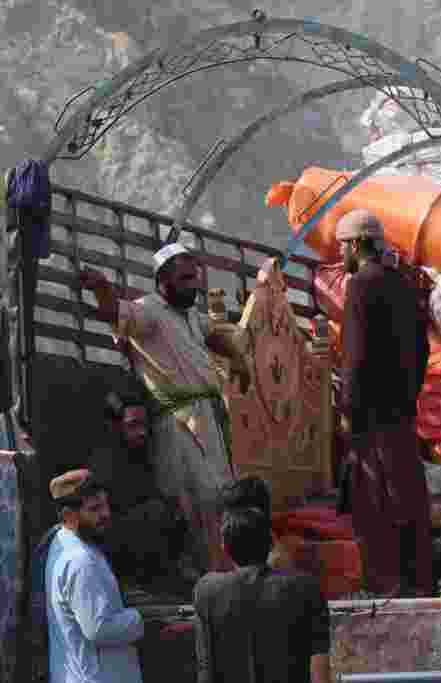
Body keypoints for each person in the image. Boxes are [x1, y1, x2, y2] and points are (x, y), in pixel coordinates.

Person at [79, 241, 249, 573]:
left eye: (193, 275)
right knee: (194, 500)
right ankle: (205, 577)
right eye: (183, 275)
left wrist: (238, 357)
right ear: (163, 280)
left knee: (221, 497)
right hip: (177, 421)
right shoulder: (149, 311)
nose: (193, 281)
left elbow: (212, 336)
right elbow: (116, 313)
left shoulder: (189, 316)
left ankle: (224, 571)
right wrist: (102, 288)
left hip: (206, 418)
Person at [334, 209, 432, 597]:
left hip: (372, 417)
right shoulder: (404, 283)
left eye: (343, 246)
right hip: (402, 413)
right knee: (409, 497)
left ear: (357, 245)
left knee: (377, 502)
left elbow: (355, 357)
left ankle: (387, 586)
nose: (342, 254)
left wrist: (347, 411)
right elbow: (423, 348)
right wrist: (409, 393)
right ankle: (419, 582)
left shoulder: (361, 284)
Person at [193, 506, 331, 683]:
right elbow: (319, 671)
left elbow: (205, 669)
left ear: (225, 549)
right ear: (271, 543)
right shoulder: (306, 589)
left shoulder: (207, 591)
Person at [41, 469, 145, 683]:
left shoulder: (65, 541)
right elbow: (99, 629)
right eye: (95, 509)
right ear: (69, 514)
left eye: (106, 505)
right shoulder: (80, 560)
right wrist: (140, 619)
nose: (106, 514)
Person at [88, 389, 190, 587]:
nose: (141, 432)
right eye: (133, 425)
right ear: (117, 427)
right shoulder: (106, 461)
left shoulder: (140, 455)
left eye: (144, 425)